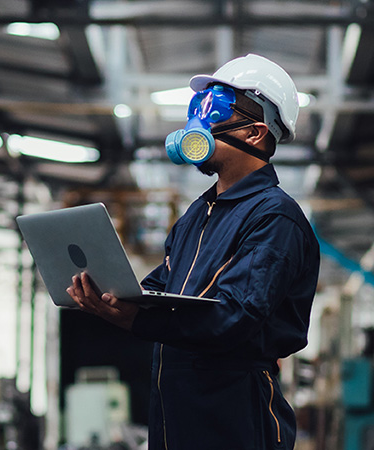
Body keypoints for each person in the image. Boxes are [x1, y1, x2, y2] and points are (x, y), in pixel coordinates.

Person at [67, 54, 319, 450]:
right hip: (176, 420)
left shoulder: (275, 217)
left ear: (254, 133)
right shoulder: (196, 215)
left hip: (235, 421)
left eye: (213, 109)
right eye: (196, 109)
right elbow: (160, 289)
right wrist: (110, 291)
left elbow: (234, 317)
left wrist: (138, 321)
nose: (197, 123)